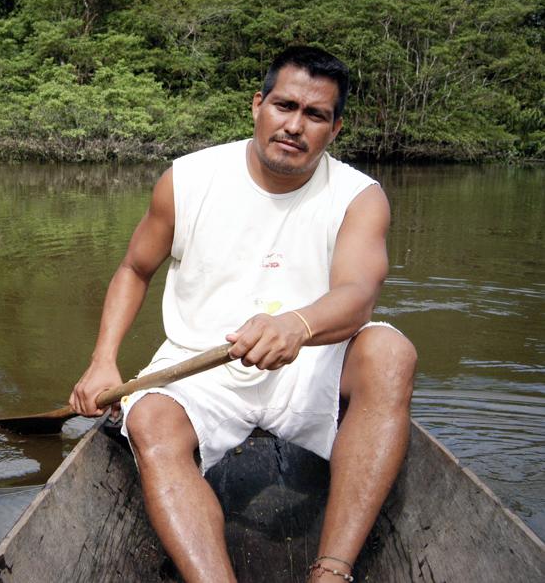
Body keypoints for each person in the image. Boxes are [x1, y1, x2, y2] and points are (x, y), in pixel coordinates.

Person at [69, 45, 417, 583]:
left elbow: (357, 294)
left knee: (391, 351)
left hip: (309, 362)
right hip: (200, 365)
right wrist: (102, 361)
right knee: (149, 419)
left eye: (315, 115)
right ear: (257, 105)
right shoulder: (187, 180)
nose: (295, 125)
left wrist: (297, 326)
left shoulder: (358, 197)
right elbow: (135, 270)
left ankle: (331, 570)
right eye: (284, 106)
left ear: (335, 129)